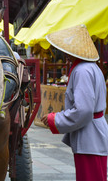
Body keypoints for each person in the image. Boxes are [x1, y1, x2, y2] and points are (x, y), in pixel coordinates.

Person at [41, 25, 108, 181]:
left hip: (90, 137)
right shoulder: (92, 67)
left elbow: (83, 110)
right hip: (93, 135)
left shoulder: (82, 70)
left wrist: (55, 119)